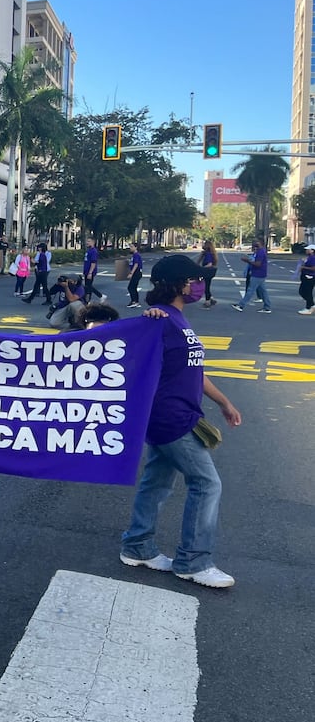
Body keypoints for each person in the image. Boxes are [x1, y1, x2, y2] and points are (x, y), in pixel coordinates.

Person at [120, 253, 241, 589]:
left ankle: (137, 546)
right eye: (193, 279)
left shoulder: (177, 319)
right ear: (177, 283)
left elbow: (192, 371)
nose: (198, 284)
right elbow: (119, 338)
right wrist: (148, 317)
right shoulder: (159, 320)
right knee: (207, 483)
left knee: (157, 482)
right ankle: (194, 561)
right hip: (170, 418)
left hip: (179, 414)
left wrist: (224, 402)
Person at [232, 239, 271, 313]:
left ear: (261, 243)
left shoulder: (260, 252)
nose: (254, 244)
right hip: (260, 274)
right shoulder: (260, 251)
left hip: (257, 274)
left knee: (250, 290)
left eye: (257, 242)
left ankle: (241, 305)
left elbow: (258, 264)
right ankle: (267, 307)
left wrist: (247, 261)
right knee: (263, 291)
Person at [196, 240, 217, 308]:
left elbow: (209, 264)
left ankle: (207, 301)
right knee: (206, 285)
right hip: (209, 272)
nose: (203, 245)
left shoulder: (208, 254)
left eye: (204, 244)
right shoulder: (207, 253)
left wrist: (202, 269)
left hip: (207, 272)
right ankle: (211, 299)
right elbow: (198, 262)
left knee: (206, 286)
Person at [83, 237, 104, 302]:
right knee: (88, 286)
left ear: (93, 242)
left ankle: (99, 296)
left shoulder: (93, 251)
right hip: (86, 271)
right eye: (87, 241)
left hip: (90, 272)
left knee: (88, 287)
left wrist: (90, 273)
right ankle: (89, 300)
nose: (87, 242)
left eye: (89, 241)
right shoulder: (88, 250)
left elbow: (93, 263)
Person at [297, 244, 315, 314]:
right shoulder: (309, 257)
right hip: (306, 277)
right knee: (302, 291)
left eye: (308, 249)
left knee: (307, 292)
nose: (306, 250)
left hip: (310, 277)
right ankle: (311, 305)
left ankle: (309, 307)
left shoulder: (313, 258)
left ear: (312, 250)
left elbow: (314, 268)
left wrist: (303, 267)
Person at [126, 242, 144, 308]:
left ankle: (135, 301)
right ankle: (135, 301)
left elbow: (136, 264)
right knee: (133, 287)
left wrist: (131, 273)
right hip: (136, 273)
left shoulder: (136, 255)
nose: (130, 248)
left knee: (131, 287)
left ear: (135, 247)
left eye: (131, 247)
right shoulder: (134, 255)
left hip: (136, 273)